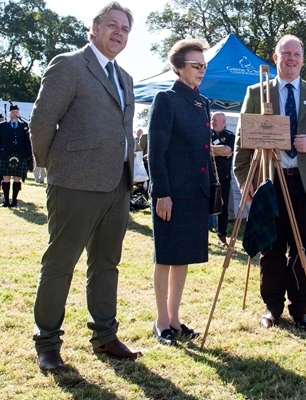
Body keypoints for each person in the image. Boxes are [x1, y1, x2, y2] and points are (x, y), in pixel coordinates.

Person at [29, 2, 139, 374]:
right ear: (94, 28)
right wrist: (54, 167)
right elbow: (41, 122)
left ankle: (105, 336)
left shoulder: (125, 77)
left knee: (106, 264)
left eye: (125, 28)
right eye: (112, 25)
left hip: (118, 186)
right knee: (60, 265)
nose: (118, 33)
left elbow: (125, 131)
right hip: (73, 183)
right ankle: (47, 343)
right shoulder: (69, 64)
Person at [233, 34, 306, 331]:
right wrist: (245, 181)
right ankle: (272, 307)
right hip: (270, 183)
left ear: (303, 59)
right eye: (286, 54)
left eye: (297, 54)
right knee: (271, 248)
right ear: (276, 58)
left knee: (303, 248)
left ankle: (299, 308)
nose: (292, 59)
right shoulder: (257, 92)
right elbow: (242, 141)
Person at [149, 38, 211, 346]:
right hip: (171, 193)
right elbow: (155, 153)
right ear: (178, 68)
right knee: (165, 257)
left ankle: (174, 318)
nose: (201, 70)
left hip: (195, 194)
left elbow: (200, 150)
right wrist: (162, 193)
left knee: (183, 258)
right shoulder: (166, 99)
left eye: (204, 65)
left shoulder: (202, 103)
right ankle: (161, 323)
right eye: (196, 65)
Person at [0, 103, 33, 208]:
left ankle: (14, 201)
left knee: (17, 178)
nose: (15, 113)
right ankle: (6, 201)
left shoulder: (24, 126)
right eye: (13, 112)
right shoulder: (2, 126)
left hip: (20, 154)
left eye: (17, 112)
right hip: (6, 154)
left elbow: (28, 142)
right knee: (6, 178)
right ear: (9, 113)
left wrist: (28, 156)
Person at [210, 112, 235, 246]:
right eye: (212, 119)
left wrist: (210, 149)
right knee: (203, 205)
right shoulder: (206, 134)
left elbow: (227, 150)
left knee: (223, 207)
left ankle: (222, 236)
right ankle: (202, 234)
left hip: (223, 178)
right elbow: (201, 149)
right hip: (207, 176)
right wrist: (219, 150)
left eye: (215, 120)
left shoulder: (230, 136)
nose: (213, 121)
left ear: (224, 122)